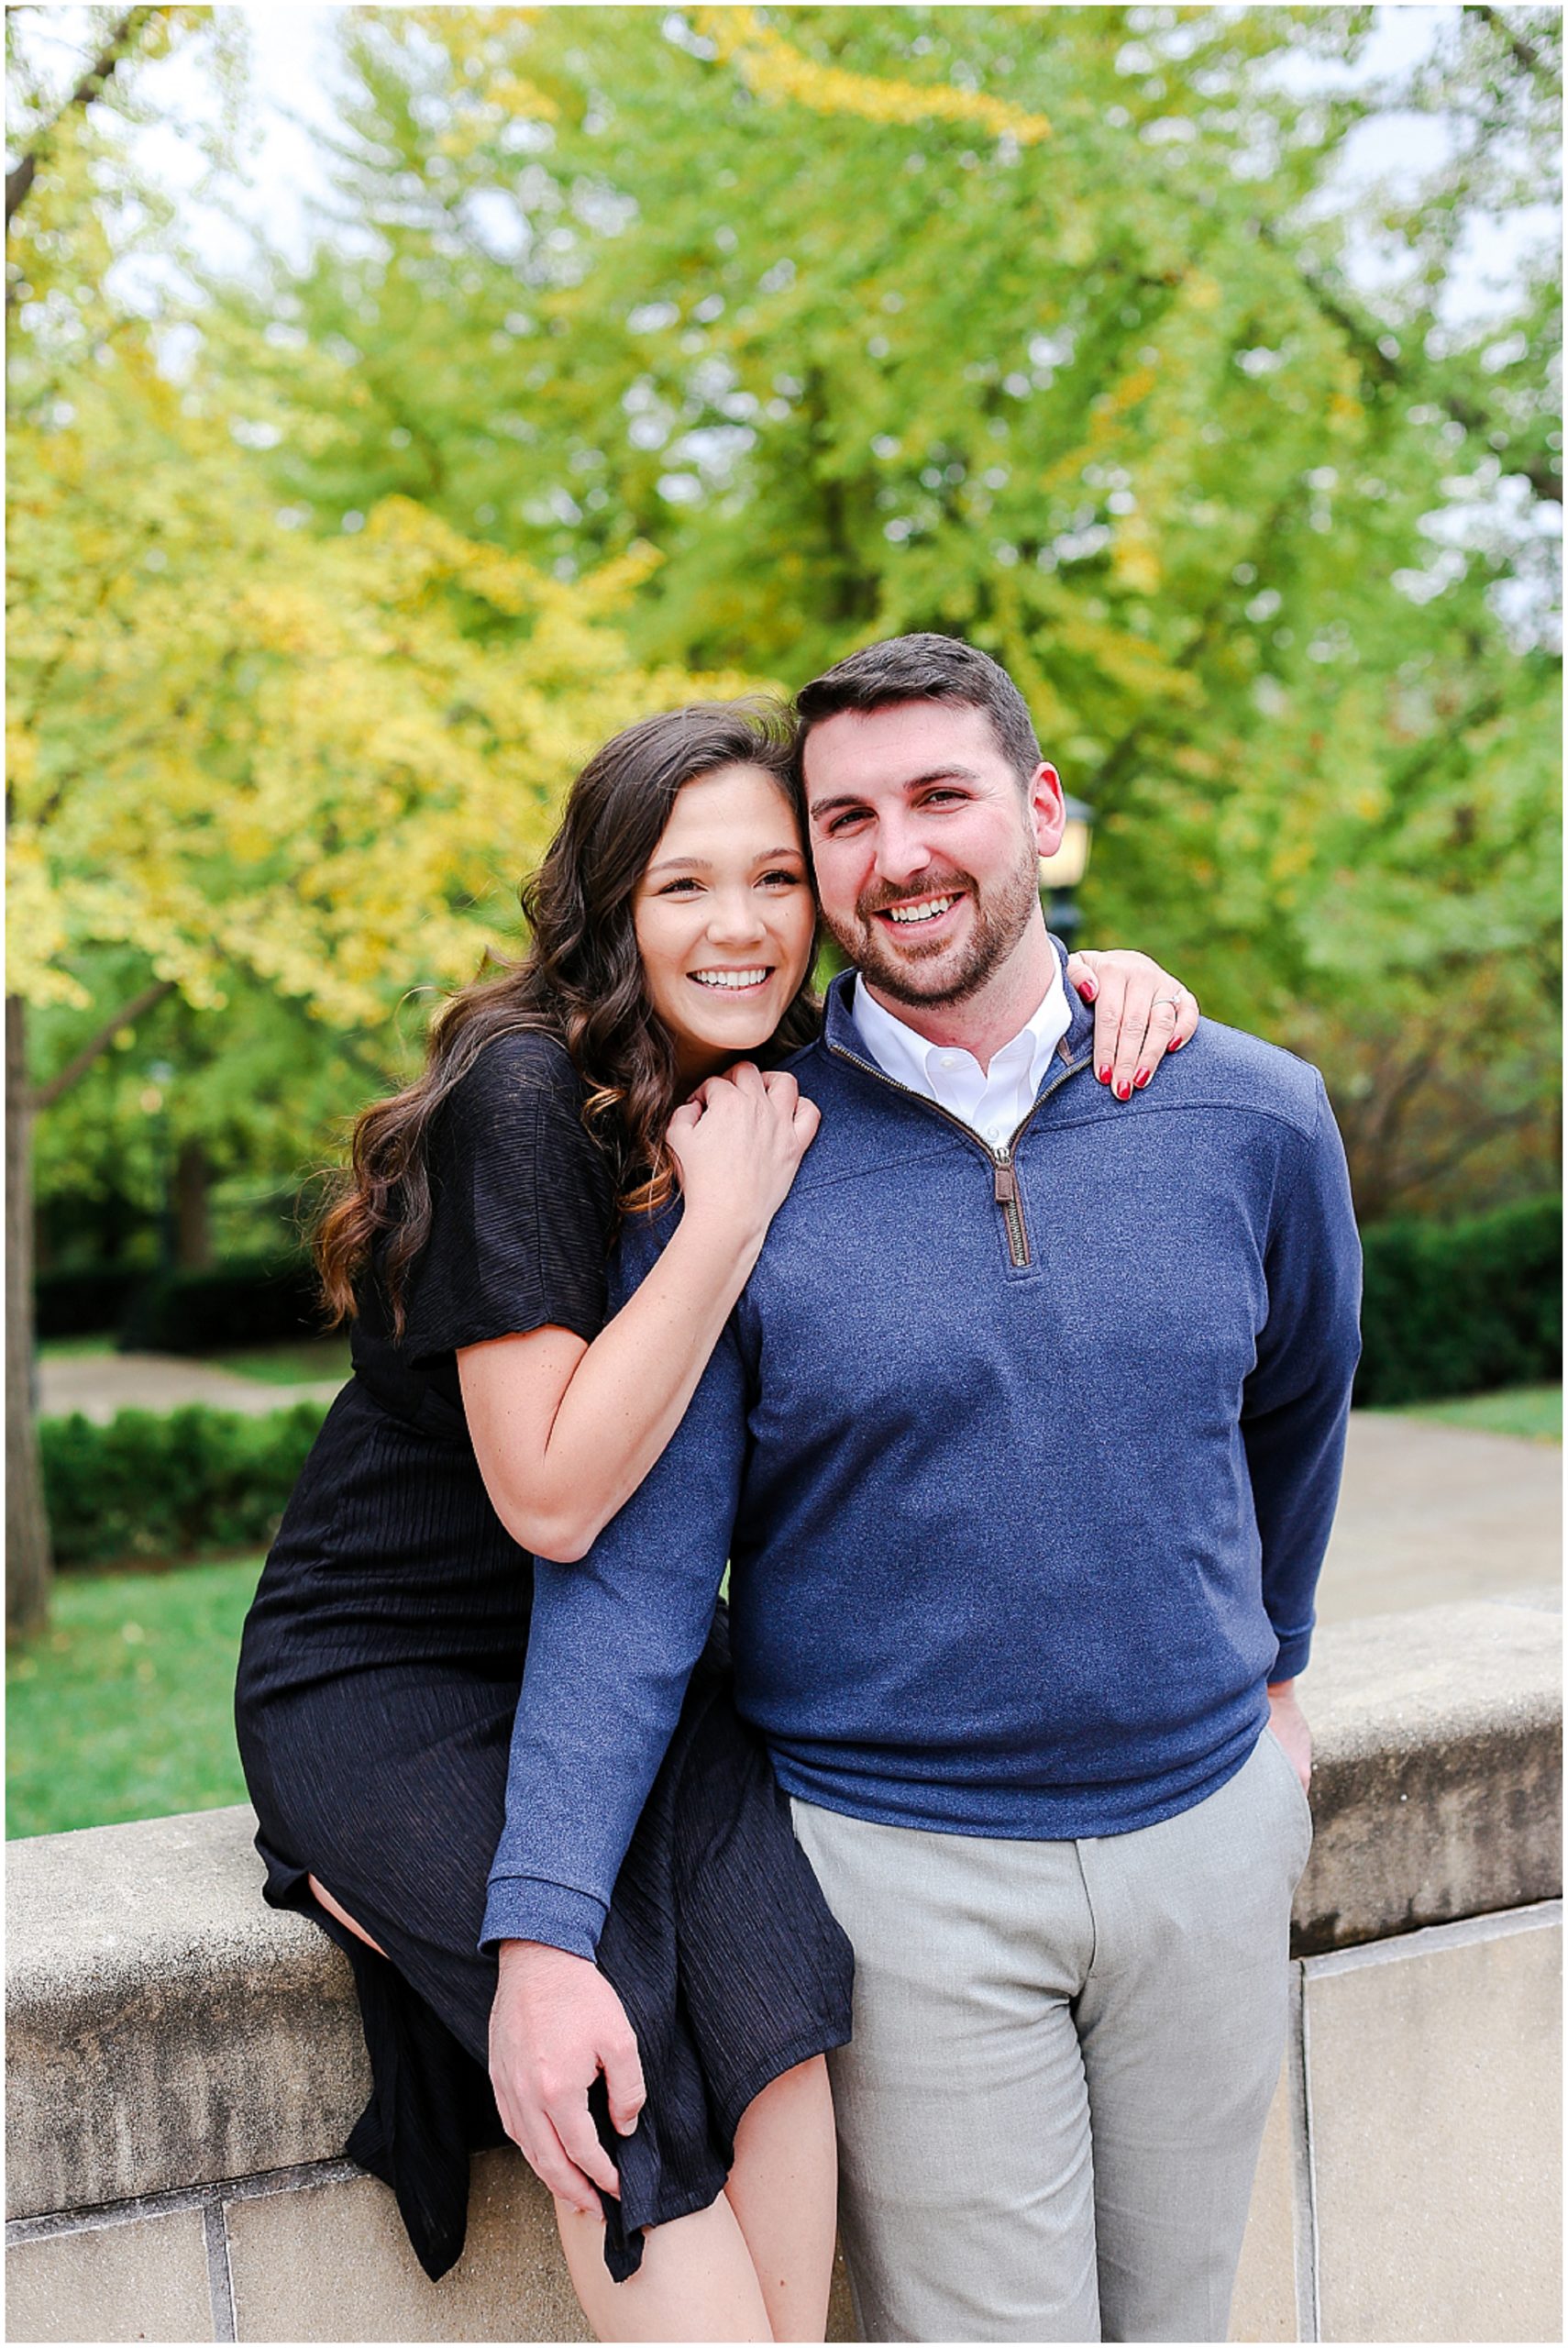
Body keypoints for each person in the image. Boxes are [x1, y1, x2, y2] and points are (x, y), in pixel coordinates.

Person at [233, 691, 1198, 2344]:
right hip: (403, 1673)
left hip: (641, 1664)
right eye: (683, 887)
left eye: (773, 878)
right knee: (625, 2078)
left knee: (781, 2020)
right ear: (611, 906)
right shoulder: (524, 1099)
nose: (739, 926)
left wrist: (1110, 975)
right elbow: (546, 1495)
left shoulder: (779, 1070)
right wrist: (728, 1216)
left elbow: (972, 1014)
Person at [485, 635, 1364, 2344]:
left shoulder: (1252, 1115)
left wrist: (1274, 1659)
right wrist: (540, 1926)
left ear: (1042, 814)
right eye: (847, 820)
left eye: (943, 797)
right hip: (902, 1877)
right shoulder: (733, 1167)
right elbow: (637, 1584)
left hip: (1203, 1834)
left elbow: (1297, 1404)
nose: (899, 856)